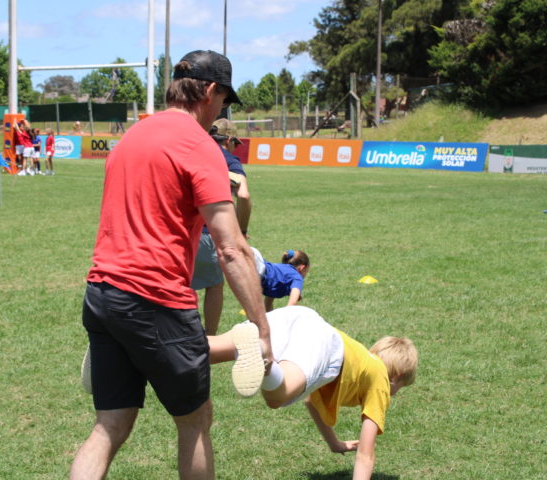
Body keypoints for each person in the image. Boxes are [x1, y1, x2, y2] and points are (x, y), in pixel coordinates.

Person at [70, 50, 273, 480]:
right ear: (211, 91)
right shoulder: (199, 146)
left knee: (110, 425)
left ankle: (201, 344)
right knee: (196, 421)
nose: (221, 112)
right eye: (224, 102)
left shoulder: (133, 137)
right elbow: (231, 248)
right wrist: (262, 328)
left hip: (102, 293)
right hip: (156, 299)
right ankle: (240, 341)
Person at [208, 305, 418, 480]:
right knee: (277, 397)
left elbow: (311, 402)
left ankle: (193, 339)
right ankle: (264, 357)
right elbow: (366, 454)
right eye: (399, 389)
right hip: (323, 340)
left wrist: (334, 444)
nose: (393, 394)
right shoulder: (381, 380)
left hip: (299, 316)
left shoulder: (362, 362)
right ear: (397, 376)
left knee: (207, 351)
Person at [191, 118, 252, 335]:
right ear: (228, 140)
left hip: (182, 232)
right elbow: (243, 195)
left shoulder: (194, 152)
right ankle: (209, 337)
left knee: (181, 285)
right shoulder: (229, 160)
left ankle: (181, 333)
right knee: (215, 284)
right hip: (209, 232)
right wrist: (241, 231)